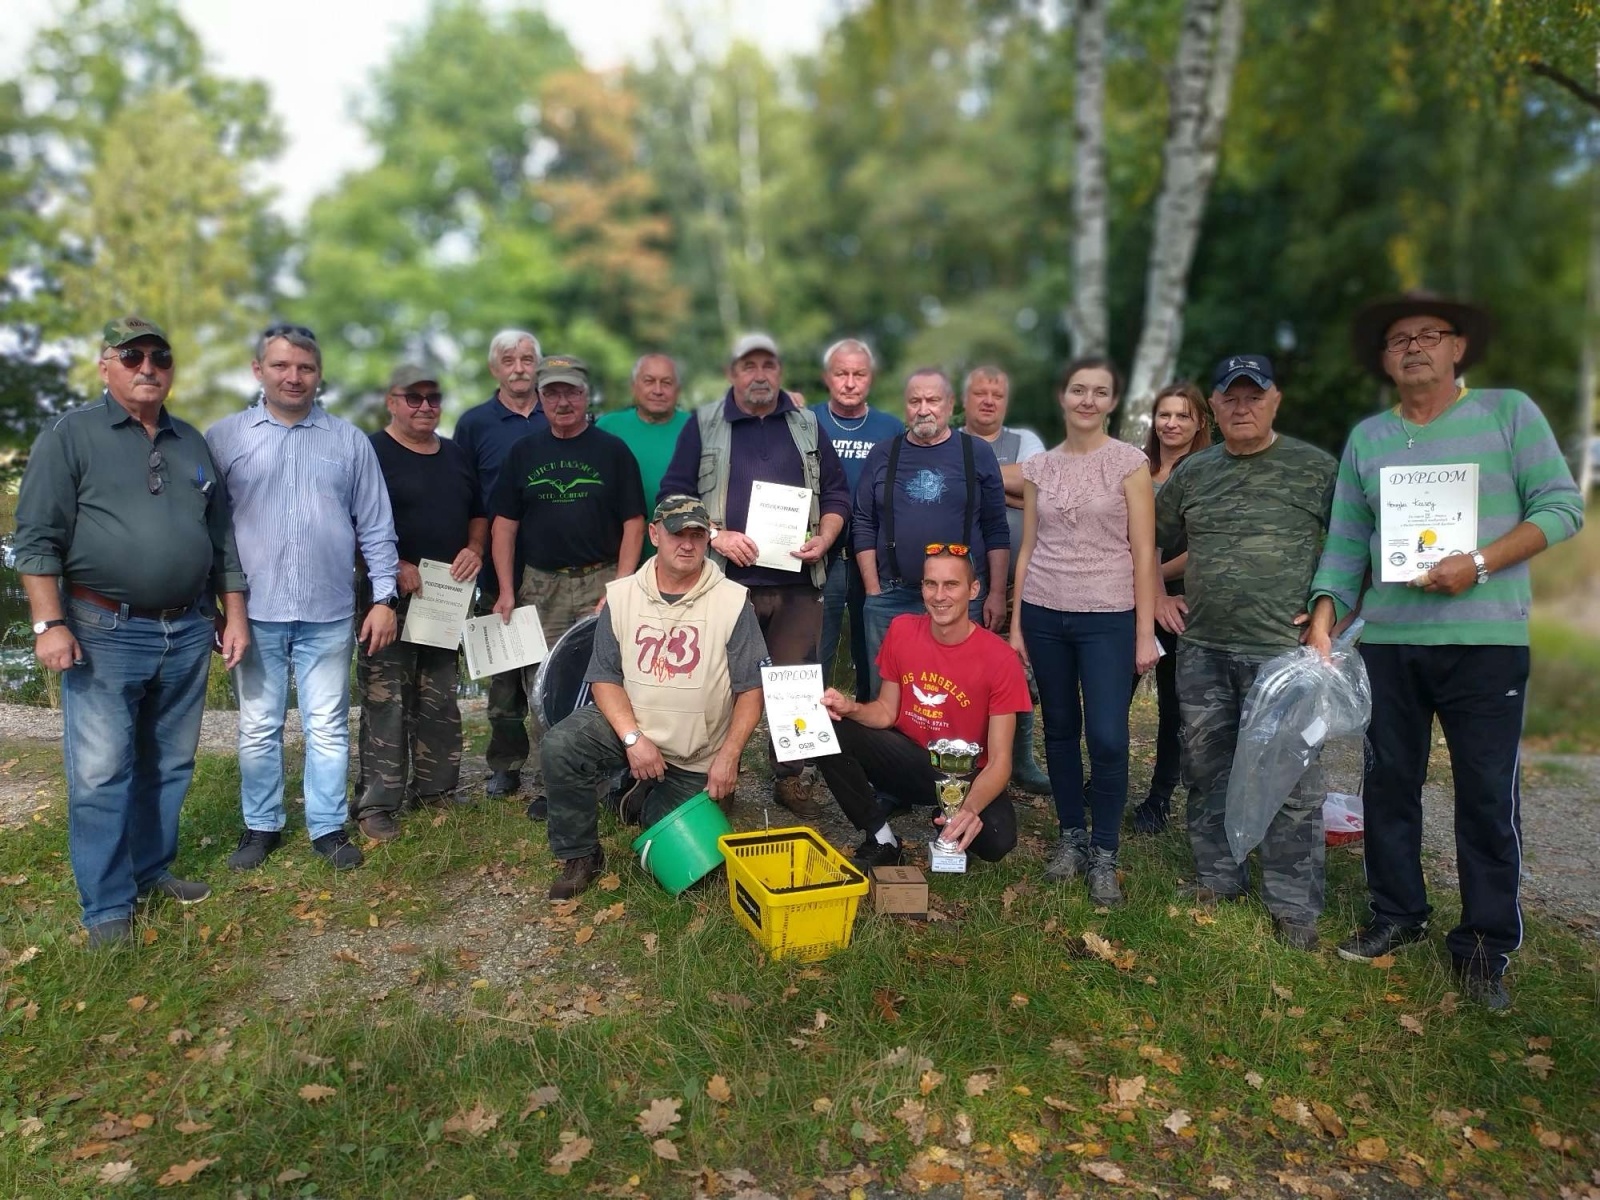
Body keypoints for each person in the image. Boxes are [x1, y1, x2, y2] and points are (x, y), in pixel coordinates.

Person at [1307, 293, 1584, 1007]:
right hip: (1394, 645)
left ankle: (1486, 947)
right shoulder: (1369, 438)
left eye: (1429, 335)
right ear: (1385, 359)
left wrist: (1481, 564)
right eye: (1399, 339)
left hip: (1485, 642)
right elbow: (1344, 543)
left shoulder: (1507, 413)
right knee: (1388, 785)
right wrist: (1323, 616)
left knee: (1487, 797)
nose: (1414, 346)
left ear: (1458, 348)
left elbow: (1561, 507)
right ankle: (1396, 915)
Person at [13, 317, 249, 946]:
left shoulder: (191, 441)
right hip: (100, 629)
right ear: (106, 364)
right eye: (133, 355)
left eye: (160, 356)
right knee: (101, 772)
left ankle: (151, 870)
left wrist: (234, 616)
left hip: (187, 631)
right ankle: (108, 907)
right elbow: (36, 539)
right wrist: (48, 622)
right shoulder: (72, 435)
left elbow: (221, 540)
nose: (148, 366)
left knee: (169, 762)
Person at [1155, 353, 1338, 950]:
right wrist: (1156, 592)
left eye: (1253, 395)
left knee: (1293, 781)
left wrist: (1330, 612)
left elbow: (1356, 545)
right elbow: (1146, 538)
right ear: (1214, 405)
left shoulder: (1315, 470)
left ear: (1275, 399)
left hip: (1284, 653)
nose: (1242, 406)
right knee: (1207, 769)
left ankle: (1292, 906)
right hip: (1203, 648)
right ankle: (1217, 878)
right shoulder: (1195, 473)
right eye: (1230, 397)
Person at [207, 323, 399, 872]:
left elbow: (376, 525)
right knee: (259, 725)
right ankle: (260, 826)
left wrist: (383, 596)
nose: (294, 377)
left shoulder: (348, 441)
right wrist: (218, 607)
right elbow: (208, 530)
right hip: (254, 613)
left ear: (319, 375)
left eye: (305, 368)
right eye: (281, 366)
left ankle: (327, 826)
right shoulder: (225, 439)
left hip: (329, 610)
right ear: (258, 370)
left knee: (328, 725)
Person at [657, 332, 851, 819]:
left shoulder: (807, 424)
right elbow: (674, 494)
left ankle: (792, 778)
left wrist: (825, 539)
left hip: (796, 586)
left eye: (768, 364)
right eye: (748, 366)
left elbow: (837, 496)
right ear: (732, 373)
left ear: (779, 371)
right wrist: (716, 534)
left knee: (796, 686)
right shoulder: (704, 424)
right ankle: (720, 776)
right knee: (721, 685)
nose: (759, 374)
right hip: (725, 583)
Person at [540, 496, 769, 898]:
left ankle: (641, 795)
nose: (687, 544)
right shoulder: (622, 596)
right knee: (561, 744)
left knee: (682, 862)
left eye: (697, 535)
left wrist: (728, 758)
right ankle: (580, 854)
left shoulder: (733, 601)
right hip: (634, 730)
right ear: (654, 534)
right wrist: (632, 738)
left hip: (698, 753)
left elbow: (751, 688)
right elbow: (604, 678)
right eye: (676, 533)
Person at [1011, 358, 1159, 905]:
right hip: (1046, 611)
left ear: (1113, 402)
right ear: (1062, 397)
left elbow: (1144, 553)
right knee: (1060, 731)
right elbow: (1028, 548)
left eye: (1100, 391)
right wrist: (1018, 627)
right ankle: (1071, 838)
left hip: (1109, 616)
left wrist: (1145, 634)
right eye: (1078, 390)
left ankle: (1105, 850)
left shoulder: (1129, 464)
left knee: (1107, 735)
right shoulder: (1039, 469)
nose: (1088, 400)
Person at [489, 354, 646, 819]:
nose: (562, 401)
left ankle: (619, 775)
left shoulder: (612, 451)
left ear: (585, 396)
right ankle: (559, 780)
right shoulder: (523, 453)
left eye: (571, 392)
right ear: (540, 398)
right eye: (552, 392)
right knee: (544, 683)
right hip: (543, 584)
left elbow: (634, 523)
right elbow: (503, 527)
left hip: (600, 576)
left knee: (610, 676)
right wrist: (506, 589)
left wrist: (620, 585)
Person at [818, 547, 1028, 870]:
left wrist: (968, 809)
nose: (939, 595)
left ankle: (947, 817)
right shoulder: (902, 630)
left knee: (998, 839)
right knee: (829, 725)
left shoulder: (1000, 659)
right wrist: (851, 708)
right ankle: (881, 837)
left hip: (967, 773)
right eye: (931, 584)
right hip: (911, 758)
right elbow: (887, 712)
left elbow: (1000, 762)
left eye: (951, 585)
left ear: (973, 590)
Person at [354, 364, 487, 840]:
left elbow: (478, 512)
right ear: (391, 401)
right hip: (389, 597)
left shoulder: (454, 455)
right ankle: (377, 802)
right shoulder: (369, 451)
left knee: (438, 696)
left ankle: (435, 790)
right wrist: (393, 565)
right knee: (386, 697)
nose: (425, 406)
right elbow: (352, 520)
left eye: (433, 398)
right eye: (414, 398)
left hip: (444, 595)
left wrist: (475, 548)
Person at [852, 369, 1010, 698]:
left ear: (950, 405)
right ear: (905, 407)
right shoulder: (883, 453)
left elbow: (996, 528)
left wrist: (995, 593)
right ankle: (888, 752)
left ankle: (952, 753)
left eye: (933, 400)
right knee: (888, 696)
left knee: (958, 693)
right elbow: (864, 522)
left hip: (960, 598)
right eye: (915, 401)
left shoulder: (976, 453)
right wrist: (873, 590)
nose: (923, 409)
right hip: (891, 597)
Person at [453, 330, 546, 799]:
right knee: (506, 676)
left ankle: (559, 762)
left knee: (551, 672)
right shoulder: (474, 425)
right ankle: (506, 763)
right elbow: (463, 495)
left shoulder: (560, 413)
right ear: (495, 368)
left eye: (528, 359)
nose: (519, 367)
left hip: (554, 568)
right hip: (496, 569)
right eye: (509, 359)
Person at [961, 365, 1051, 795]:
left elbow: (1042, 484)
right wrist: (1011, 488)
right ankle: (969, 756)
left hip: (1022, 583)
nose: (989, 400)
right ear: (965, 399)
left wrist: (975, 479)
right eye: (980, 392)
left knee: (1019, 667)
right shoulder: (951, 438)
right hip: (961, 583)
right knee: (967, 672)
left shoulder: (1026, 441)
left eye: (997, 394)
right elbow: (1023, 488)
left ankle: (1021, 760)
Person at [1128, 381, 1212, 834]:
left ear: (1200, 422)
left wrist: (1157, 583)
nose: (1172, 424)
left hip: (1182, 603)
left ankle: (1159, 797)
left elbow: (1205, 545)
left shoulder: (1210, 471)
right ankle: (1104, 781)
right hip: (1129, 597)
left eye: (1183, 415)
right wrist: (1146, 583)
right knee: (1112, 698)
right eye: (1165, 414)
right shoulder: (1137, 467)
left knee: (1173, 709)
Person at [813, 339, 902, 699]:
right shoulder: (807, 421)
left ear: (871, 379)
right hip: (822, 557)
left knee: (876, 650)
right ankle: (810, 737)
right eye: (841, 373)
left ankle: (874, 735)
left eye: (859, 374)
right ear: (827, 377)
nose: (850, 382)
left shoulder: (890, 428)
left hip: (876, 558)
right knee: (817, 650)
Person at [595, 355, 690, 562]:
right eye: (649, 381)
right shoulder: (608, 427)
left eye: (666, 383)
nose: (658, 390)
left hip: (682, 552)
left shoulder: (696, 428)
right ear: (633, 386)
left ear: (678, 390)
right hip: (615, 556)